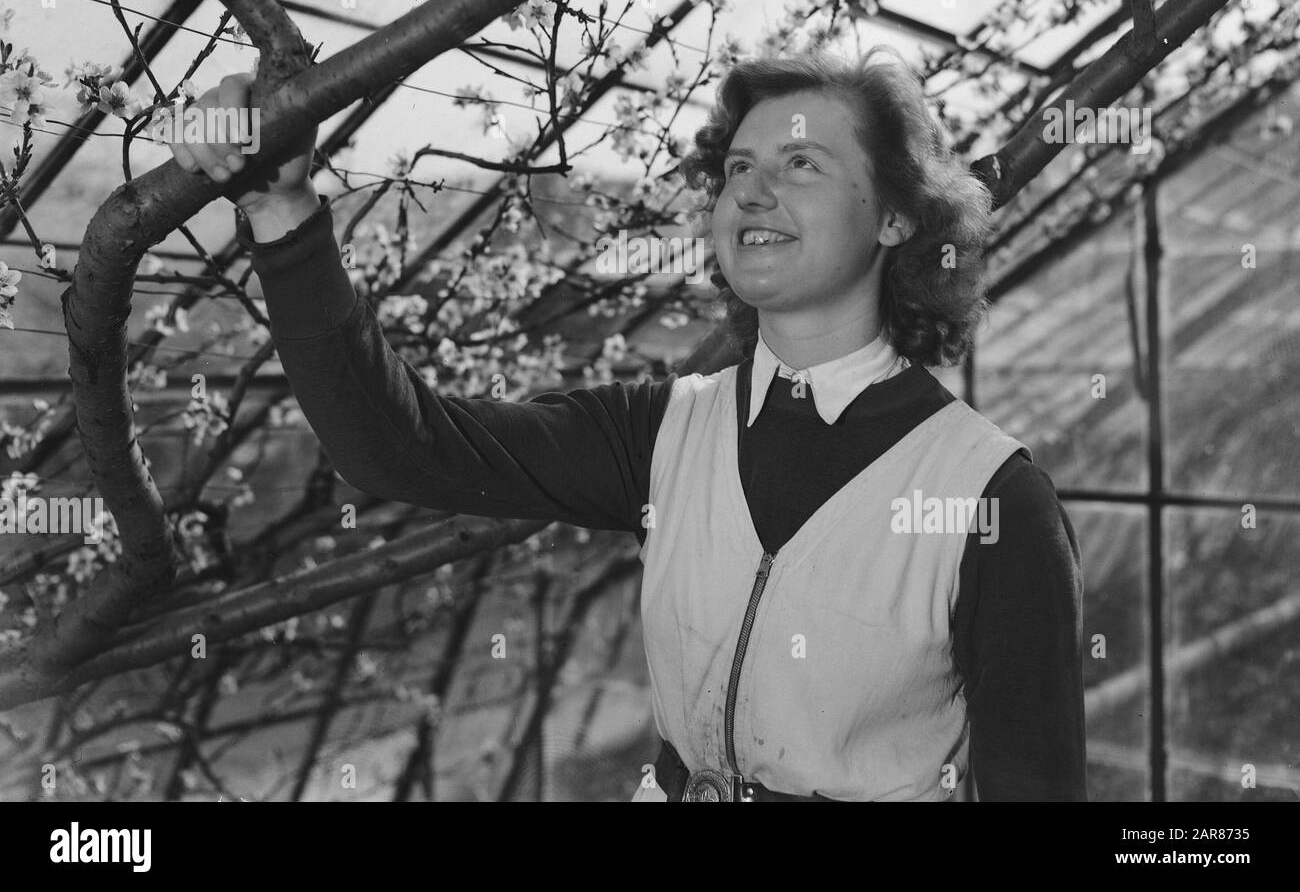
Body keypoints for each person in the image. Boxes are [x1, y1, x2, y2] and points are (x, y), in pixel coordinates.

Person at [169, 46, 1085, 801]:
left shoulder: (988, 497)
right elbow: (397, 444)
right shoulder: (663, 431)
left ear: (893, 216)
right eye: (738, 169)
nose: (754, 193)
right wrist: (280, 210)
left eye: (801, 163)